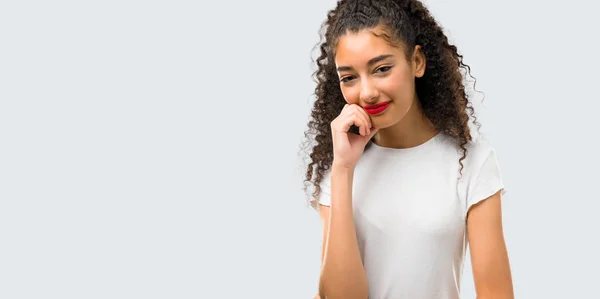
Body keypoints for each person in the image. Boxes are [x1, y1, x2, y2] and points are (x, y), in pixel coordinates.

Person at [300, 0, 514, 298]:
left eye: (382, 69)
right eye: (349, 77)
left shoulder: (471, 164)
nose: (367, 92)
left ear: (417, 62)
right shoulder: (338, 167)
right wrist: (343, 170)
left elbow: (496, 294)